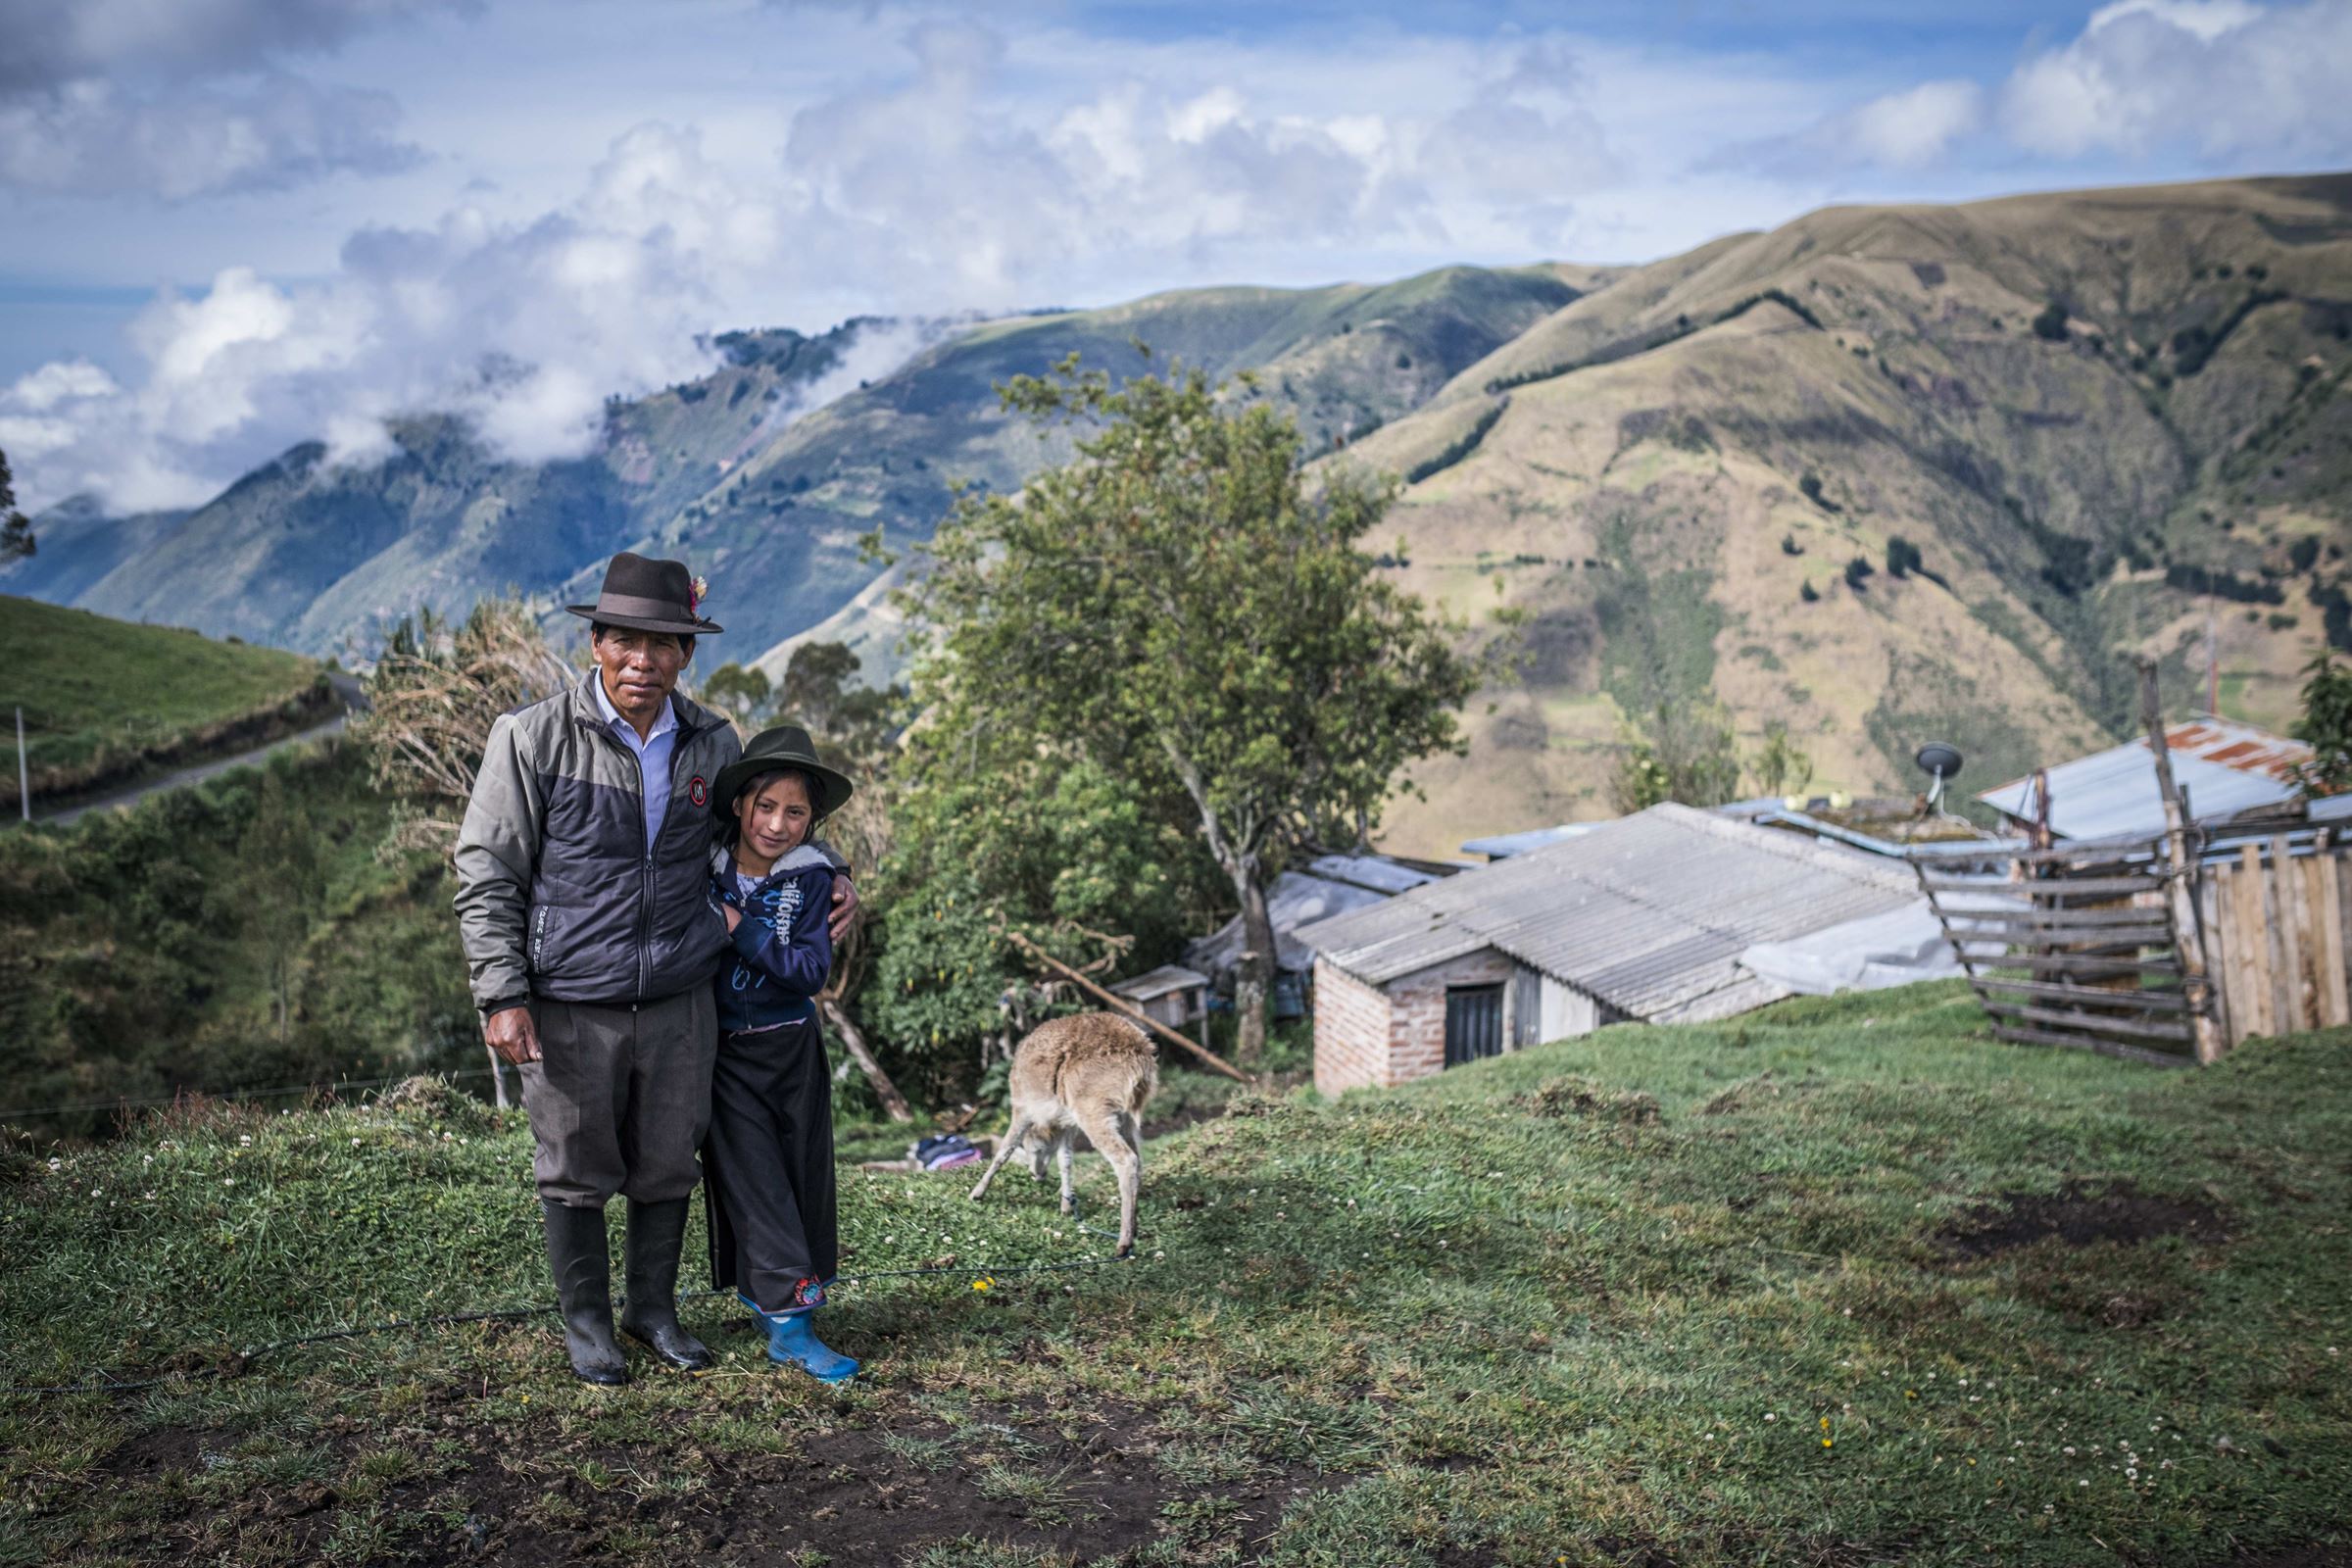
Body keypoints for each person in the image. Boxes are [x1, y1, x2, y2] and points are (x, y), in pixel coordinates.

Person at [452, 553, 858, 1385]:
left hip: (681, 993)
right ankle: (589, 1327)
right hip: (571, 996)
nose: (643, 660)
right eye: (626, 641)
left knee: (669, 1159)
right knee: (575, 1165)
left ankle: (653, 1312)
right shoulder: (533, 738)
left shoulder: (712, 742)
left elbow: (758, 832)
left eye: (663, 644)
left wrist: (834, 870)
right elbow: (487, 871)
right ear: (596, 644)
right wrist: (501, 993)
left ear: (685, 654)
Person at [701, 725, 860, 1383]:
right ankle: (793, 1332)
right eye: (765, 806)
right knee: (755, 1184)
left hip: (792, 1052)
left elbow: (809, 972)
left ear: (812, 820)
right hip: (723, 1059)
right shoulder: (703, 864)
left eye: (795, 812)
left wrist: (741, 929)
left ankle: (776, 1308)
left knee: (798, 1184)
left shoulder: (813, 880)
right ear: (739, 804)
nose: (776, 824)